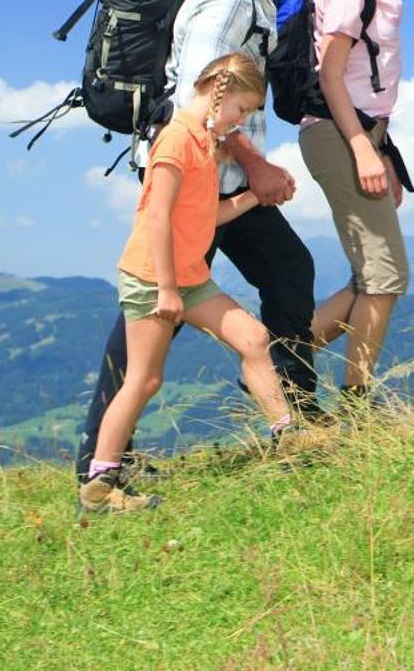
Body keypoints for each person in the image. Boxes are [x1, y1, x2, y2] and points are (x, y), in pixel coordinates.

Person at [74, 0, 339, 484]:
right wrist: (257, 164)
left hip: (226, 182)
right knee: (153, 308)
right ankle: (99, 461)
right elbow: (204, 97)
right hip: (197, 175)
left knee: (288, 270)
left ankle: (293, 417)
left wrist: (249, 181)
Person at [79, 54, 291, 513]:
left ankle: (288, 439)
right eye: (240, 110)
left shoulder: (203, 142)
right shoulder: (176, 139)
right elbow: (156, 215)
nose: (240, 122)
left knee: (253, 338)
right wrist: (168, 289)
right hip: (154, 277)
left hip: (190, 275)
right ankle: (99, 484)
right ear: (217, 88)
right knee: (144, 379)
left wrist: (256, 195)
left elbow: (206, 216)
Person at [303, 0, 414, 410]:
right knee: (385, 275)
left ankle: (284, 356)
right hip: (339, 132)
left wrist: (382, 150)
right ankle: (356, 402)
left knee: (375, 275)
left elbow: (363, 81)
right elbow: (330, 74)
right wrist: (360, 147)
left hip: (361, 133)